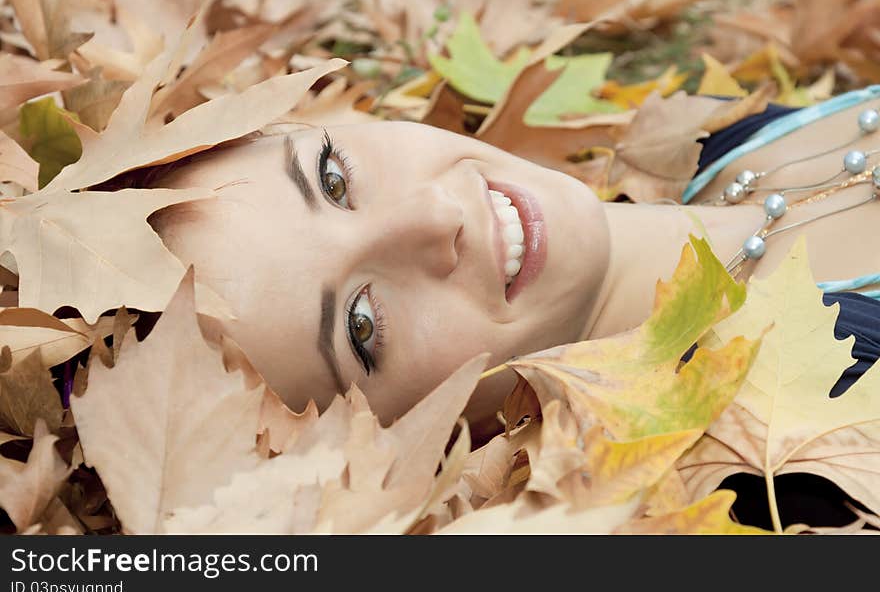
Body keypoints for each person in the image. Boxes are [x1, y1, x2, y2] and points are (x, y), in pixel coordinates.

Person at [130, 87, 880, 529]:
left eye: (330, 175)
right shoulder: (799, 435)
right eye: (363, 326)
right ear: (404, 456)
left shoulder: (713, 140)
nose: (432, 219)